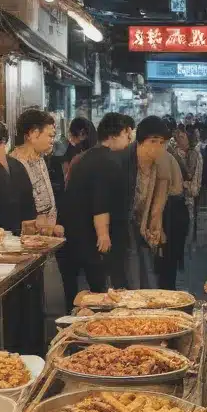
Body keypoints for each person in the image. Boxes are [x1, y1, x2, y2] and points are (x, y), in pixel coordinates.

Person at [57, 113, 134, 307]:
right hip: (90, 238)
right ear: (115, 134)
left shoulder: (90, 156)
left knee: (77, 292)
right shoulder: (106, 162)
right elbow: (101, 200)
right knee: (101, 293)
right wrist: (103, 234)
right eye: (127, 133)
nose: (130, 138)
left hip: (74, 235)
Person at [121, 116, 170, 288]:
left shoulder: (157, 165)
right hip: (122, 226)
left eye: (162, 142)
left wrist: (154, 226)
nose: (158, 146)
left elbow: (156, 202)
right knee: (131, 275)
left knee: (145, 274)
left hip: (140, 227)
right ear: (141, 141)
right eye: (153, 141)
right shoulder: (124, 160)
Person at [11, 108, 62, 232]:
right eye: (50, 136)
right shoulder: (15, 163)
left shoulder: (40, 158)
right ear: (33, 134)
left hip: (46, 237)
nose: (52, 141)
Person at [154, 144, 189, 290]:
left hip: (169, 212)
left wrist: (158, 226)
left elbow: (161, 195)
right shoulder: (169, 155)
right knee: (169, 263)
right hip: (176, 210)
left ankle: (167, 296)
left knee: (166, 262)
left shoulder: (161, 158)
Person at [62, 116, 97, 185]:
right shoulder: (102, 152)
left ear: (81, 133)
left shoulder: (77, 158)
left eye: (71, 134)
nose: (70, 138)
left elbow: (67, 181)